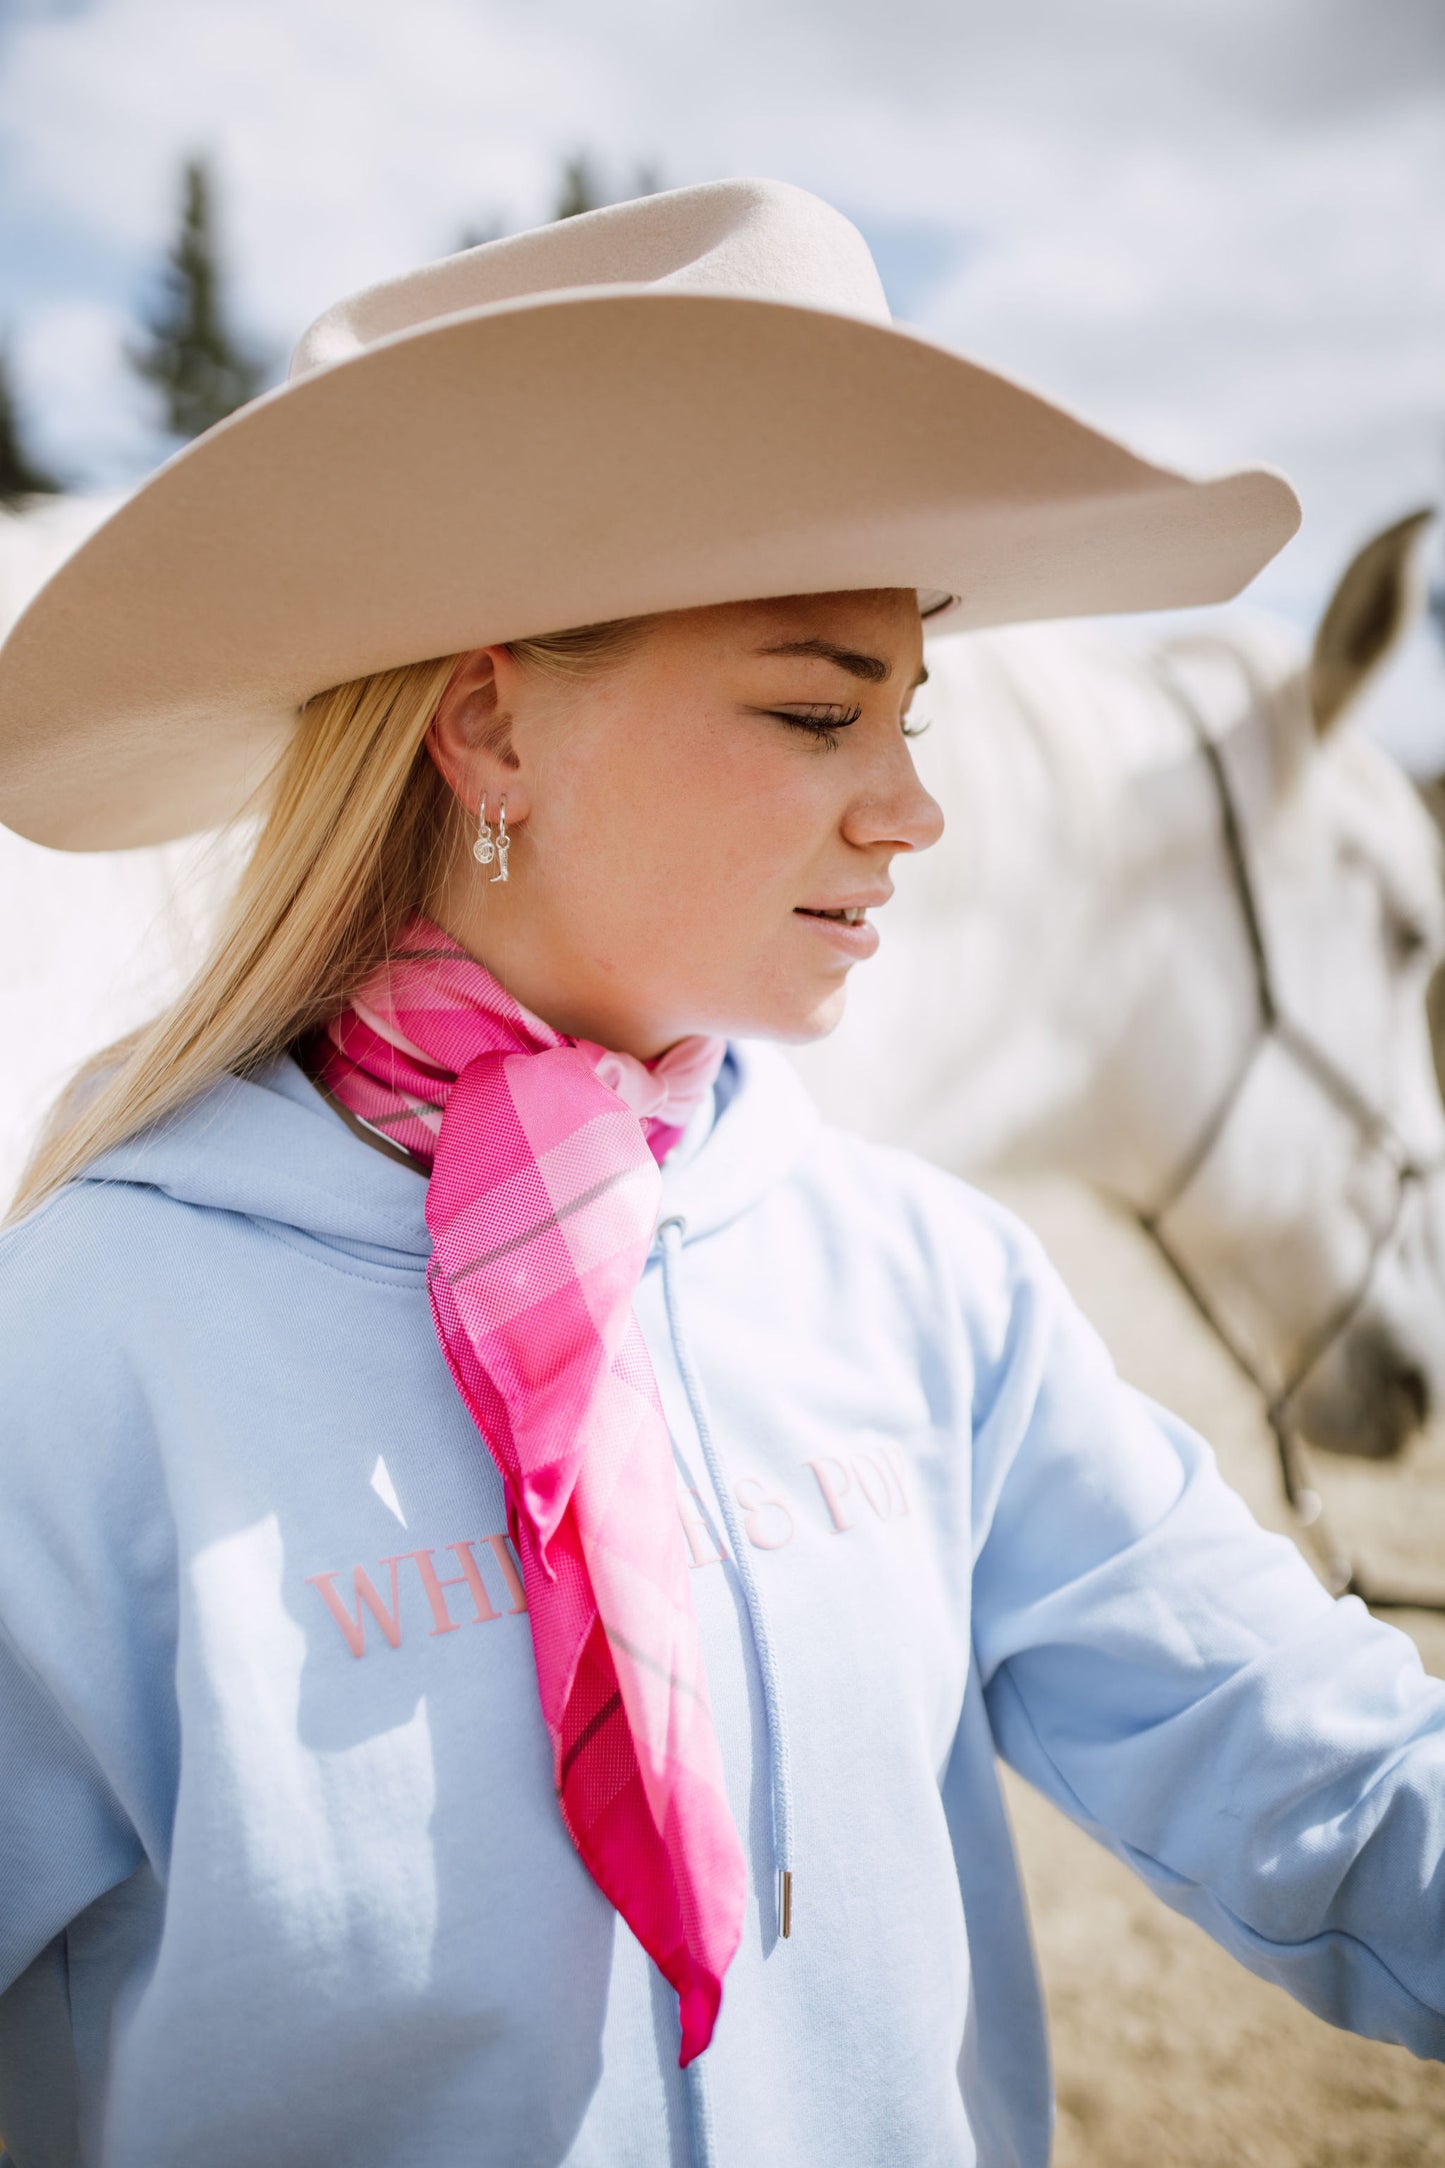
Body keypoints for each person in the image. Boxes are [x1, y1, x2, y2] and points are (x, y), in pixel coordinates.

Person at [0, 179, 1439, 2168]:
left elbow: (1340, 1778)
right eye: (815, 709)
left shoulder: (929, 1286)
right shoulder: (78, 1362)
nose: (915, 804)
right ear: (489, 729)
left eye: (908, 715)